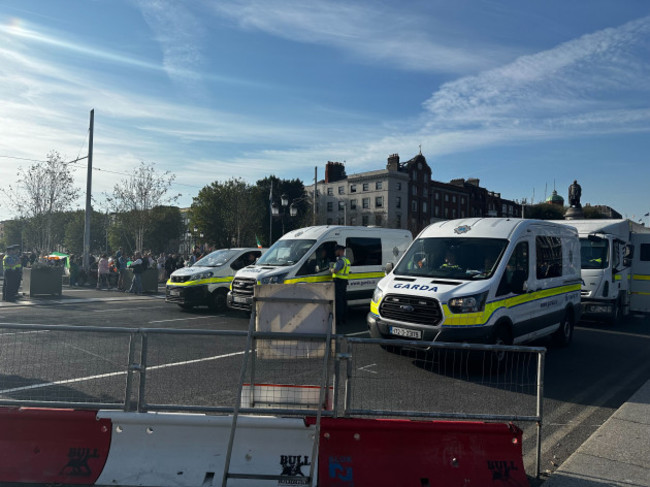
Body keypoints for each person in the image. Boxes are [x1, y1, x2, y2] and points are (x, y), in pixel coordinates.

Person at [330, 244, 350, 326]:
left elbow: (335, 270)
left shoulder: (340, 261)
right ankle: (344, 319)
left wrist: (330, 269)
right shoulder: (347, 260)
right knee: (343, 301)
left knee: (338, 302)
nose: (335, 252)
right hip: (344, 282)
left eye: (336, 250)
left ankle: (338, 319)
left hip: (338, 282)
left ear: (340, 251)